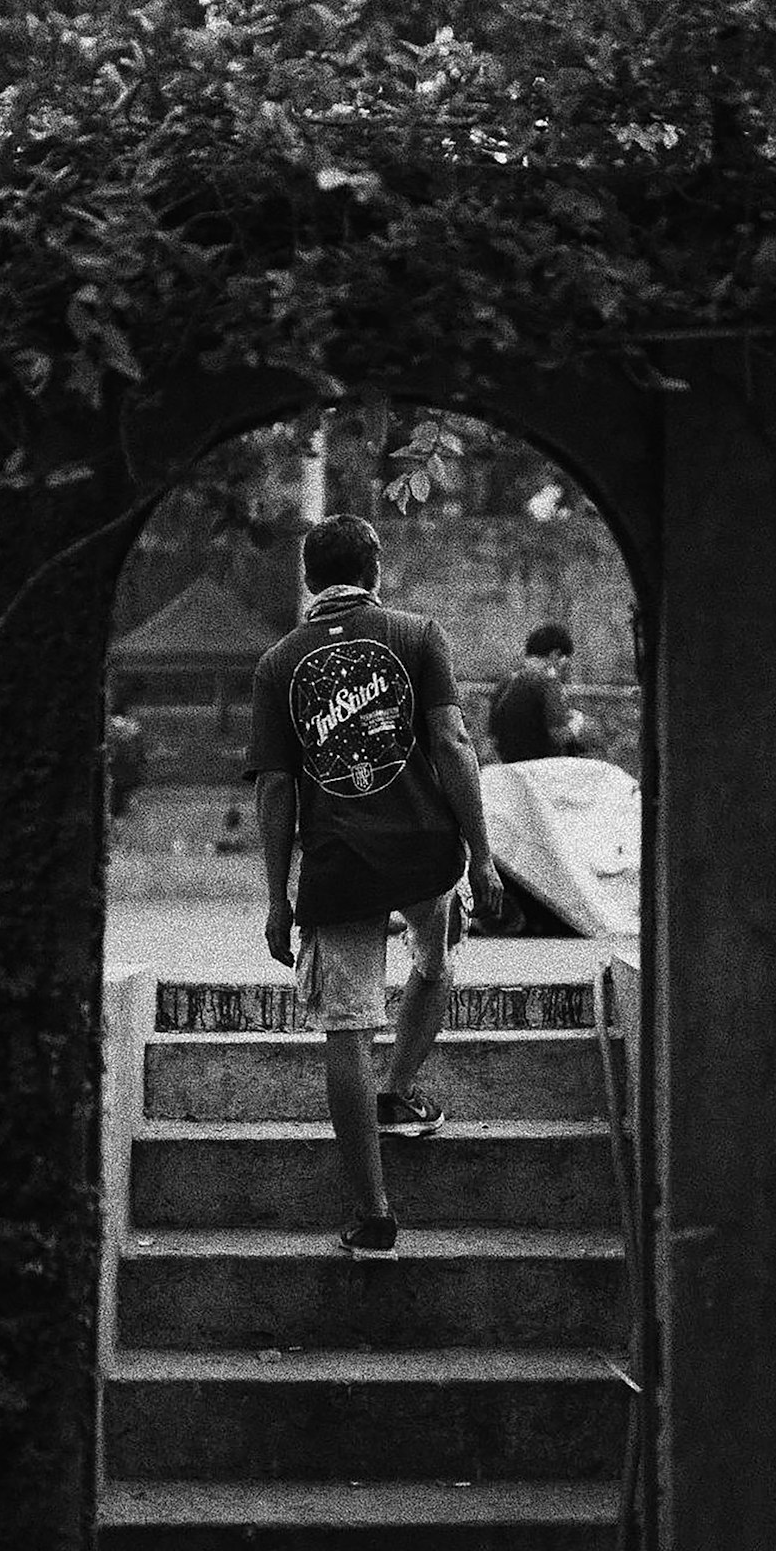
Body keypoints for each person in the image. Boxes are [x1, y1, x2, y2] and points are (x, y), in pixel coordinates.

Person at [245, 514, 503, 1259]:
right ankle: (400, 1086)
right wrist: (481, 856)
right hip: (426, 850)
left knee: (346, 1027)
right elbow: (452, 744)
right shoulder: (420, 635)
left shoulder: (277, 664)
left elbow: (274, 790)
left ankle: (374, 1214)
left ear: (307, 579)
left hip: (340, 862)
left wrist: (276, 896)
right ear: (377, 567)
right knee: (437, 959)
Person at [487, 623, 593, 763]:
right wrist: (577, 722)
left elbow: (492, 732)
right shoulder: (548, 682)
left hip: (508, 766)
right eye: (564, 660)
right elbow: (559, 735)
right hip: (541, 768)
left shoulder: (506, 681)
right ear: (555, 655)